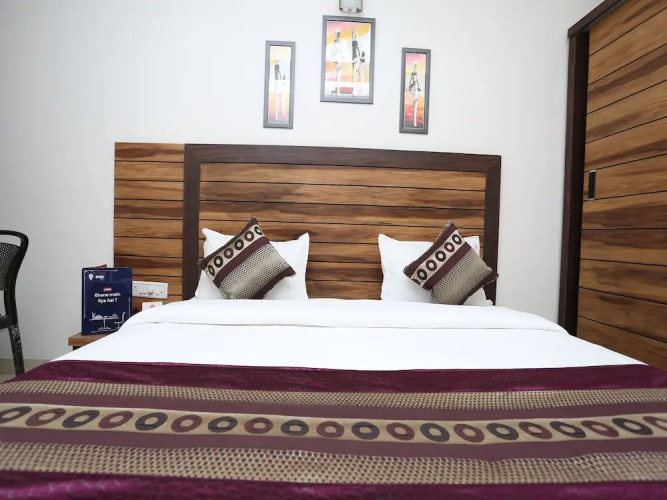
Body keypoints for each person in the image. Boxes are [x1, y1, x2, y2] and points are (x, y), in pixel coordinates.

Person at [408, 61, 421, 127]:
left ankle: (414, 122)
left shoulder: (416, 75)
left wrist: (418, 88)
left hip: (416, 93)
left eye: (416, 65)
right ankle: (414, 122)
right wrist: (412, 90)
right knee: (414, 107)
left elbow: (417, 84)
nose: (415, 66)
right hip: (414, 93)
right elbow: (410, 85)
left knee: (415, 107)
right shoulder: (413, 74)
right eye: (414, 65)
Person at [330, 29, 343, 95]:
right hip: (338, 59)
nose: (335, 34)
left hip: (338, 59)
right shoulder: (337, 41)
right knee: (338, 74)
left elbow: (337, 50)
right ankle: (337, 90)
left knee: (338, 74)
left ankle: (338, 90)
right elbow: (337, 50)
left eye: (336, 33)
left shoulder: (337, 41)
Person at [351, 29, 361, 96]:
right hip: (353, 59)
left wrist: (358, 58)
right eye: (352, 34)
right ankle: (354, 90)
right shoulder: (352, 41)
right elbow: (353, 50)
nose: (353, 35)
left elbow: (358, 50)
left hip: (356, 59)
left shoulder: (356, 41)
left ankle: (355, 91)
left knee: (355, 75)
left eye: (354, 34)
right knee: (354, 75)